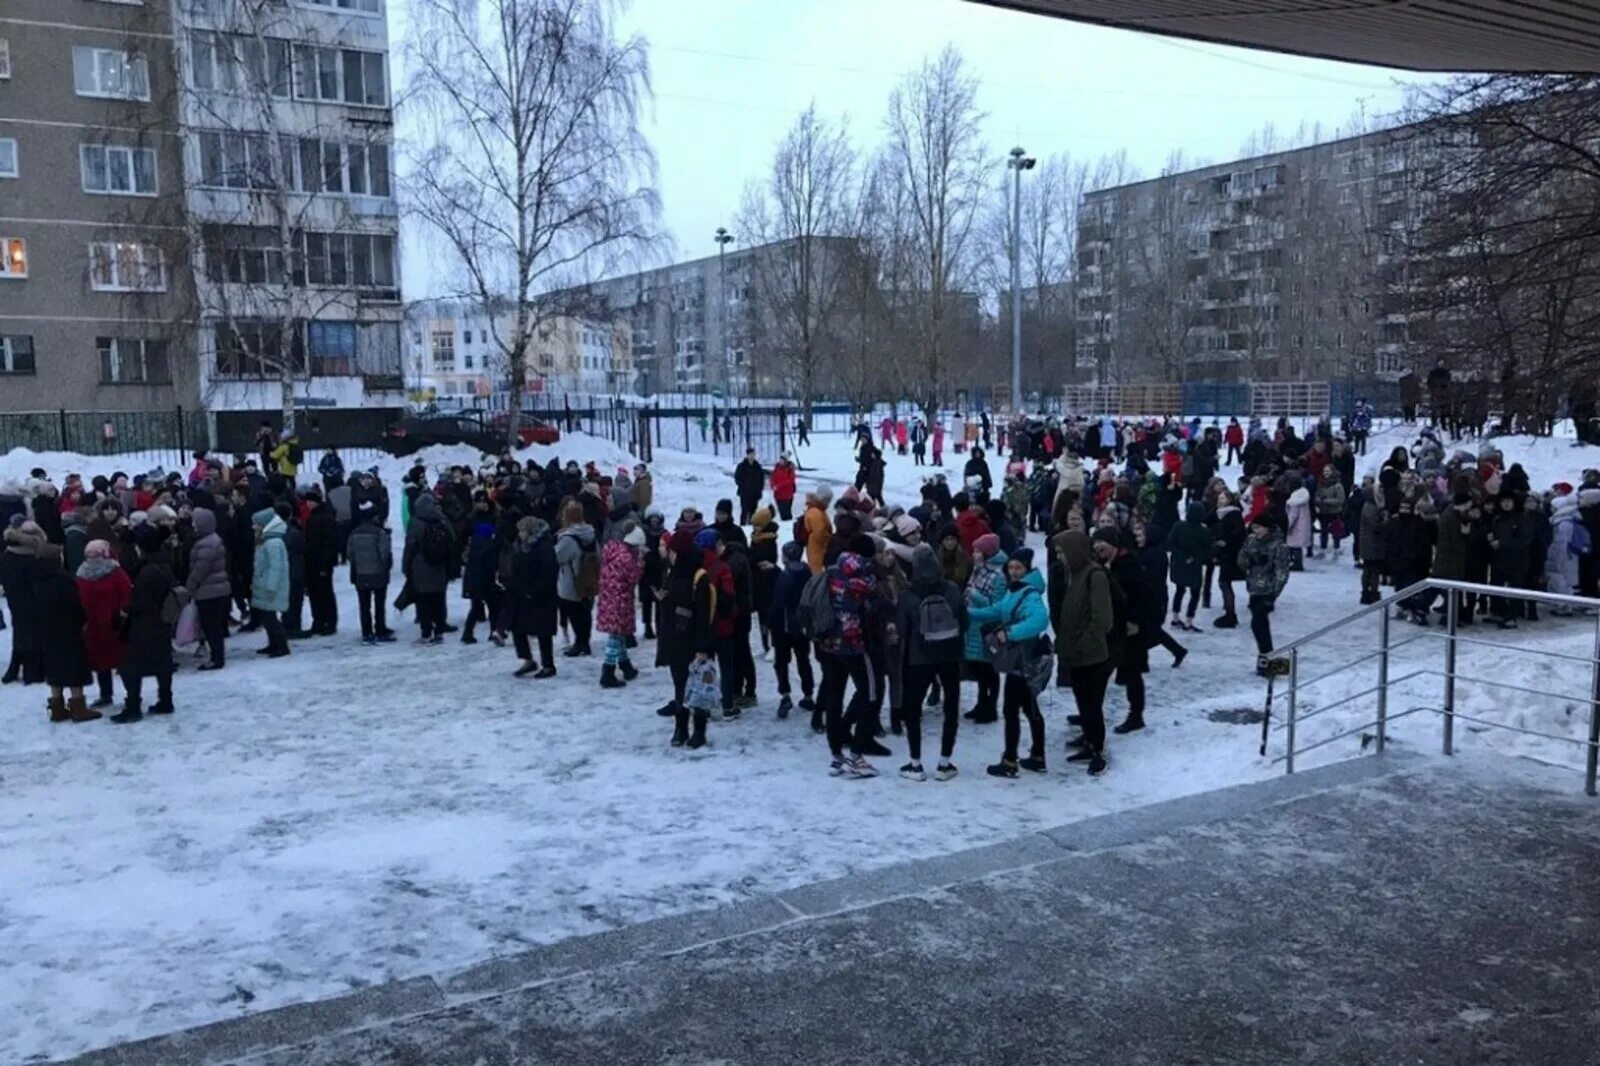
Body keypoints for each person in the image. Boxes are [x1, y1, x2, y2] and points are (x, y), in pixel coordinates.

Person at [971, 548, 1050, 779]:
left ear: (1027, 569)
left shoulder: (1029, 594)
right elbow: (999, 610)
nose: (1014, 572)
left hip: (1023, 662)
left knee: (1012, 710)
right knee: (1029, 707)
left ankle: (1009, 761)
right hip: (1022, 661)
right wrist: (971, 614)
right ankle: (1037, 756)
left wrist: (1011, 633)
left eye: (1019, 568)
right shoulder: (1015, 590)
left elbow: (1040, 619)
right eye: (1011, 568)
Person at [816, 538, 880, 778]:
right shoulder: (864, 576)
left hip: (828, 641)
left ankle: (836, 757)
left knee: (834, 696)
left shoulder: (831, 570)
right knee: (869, 694)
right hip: (853, 643)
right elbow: (876, 596)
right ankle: (856, 756)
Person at [117, 526, 177, 721]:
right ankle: (166, 700)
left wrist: (126, 608)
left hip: (144, 624)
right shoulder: (165, 563)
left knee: (131, 667)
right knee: (162, 663)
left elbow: (141, 602)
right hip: (163, 621)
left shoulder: (147, 571)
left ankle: (133, 707)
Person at [34, 543, 98, 721]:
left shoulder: (36, 579)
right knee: (74, 666)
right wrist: (82, 621)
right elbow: (74, 606)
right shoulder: (63, 580)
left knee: (54, 667)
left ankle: (57, 707)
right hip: (67, 629)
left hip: (46, 630)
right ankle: (78, 707)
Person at [74, 538, 131, 709]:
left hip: (92, 625)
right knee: (123, 661)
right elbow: (127, 594)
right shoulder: (116, 572)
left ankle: (106, 694)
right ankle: (132, 694)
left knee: (101, 663)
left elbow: (77, 600)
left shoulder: (81, 575)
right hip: (115, 624)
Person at [962, 532, 1008, 725]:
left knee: (990, 670)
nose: (974, 554)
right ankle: (981, 704)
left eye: (978, 551)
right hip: (973, 626)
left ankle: (990, 708)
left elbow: (995, 604)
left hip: (986, 628)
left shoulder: (998, 576)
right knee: (981, 670)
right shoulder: (978, 570)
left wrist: (973, 595)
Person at [769, 539, 817, 723]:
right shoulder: (807, 572)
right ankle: (808, 695)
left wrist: (770, 622)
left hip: (784, 625)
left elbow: (778, 602)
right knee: (803, 660)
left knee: (781, 661)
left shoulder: (785, 576)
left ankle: (785, 694)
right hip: (802, 625)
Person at [1238, 512, 1293, 674]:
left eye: (1259, 528)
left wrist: (1273, 595)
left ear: (1268, 528)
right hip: (1254, 588)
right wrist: (1251, 562)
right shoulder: (1251, 540)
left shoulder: (1279, 546)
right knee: (1260, 625)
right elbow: (1241, 558)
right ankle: (1268, 659)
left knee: (1258, 624)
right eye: (1254, 527)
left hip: (1267, 591)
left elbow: (1282, 573)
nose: (1256, 531)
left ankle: (1267, 659)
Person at [597, 523, 646, 688]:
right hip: (620, 600)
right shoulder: (626, 558)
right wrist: (640, 562)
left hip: (608, 598)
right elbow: (633, 577)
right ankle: (608, 672)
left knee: (618, 634)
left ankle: (626, 666)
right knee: (615, 635)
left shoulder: (613, 550)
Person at [185, 507, 231, 669]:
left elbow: (199, 570)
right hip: (216, 589)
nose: (193, 525)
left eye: (195, 522)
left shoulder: (207, 544)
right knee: (214, 627)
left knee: (212, 628)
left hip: (209, 592)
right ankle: (217, 656)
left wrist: (188, 588)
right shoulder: (212, 539)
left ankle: (217, 658)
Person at [1, 520, 46, 685]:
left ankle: (15, 668)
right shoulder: (33, 559)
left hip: (16, 601)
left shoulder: (7, 556)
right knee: (33, 633)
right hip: (33, 601)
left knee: (20, 630)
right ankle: (32, 671)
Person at [346, 501, 396, 645]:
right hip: (378, 573)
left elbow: (350, 554)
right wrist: (387, 566)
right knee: (379, 603)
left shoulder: (353, 533)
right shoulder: (379, 533)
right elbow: (384, 554)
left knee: (364, 604)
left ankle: (366, 632)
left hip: (360, 574)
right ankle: (380, 630)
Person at [461, 500, 502, 645]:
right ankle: (492, 632)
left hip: (474, 579)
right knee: (493, 605)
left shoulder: (475, 544)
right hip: (485, 579)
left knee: (476, 607)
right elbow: (490, 563)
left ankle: (467, 633)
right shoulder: (489, 545)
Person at [252, 508, 291, 657]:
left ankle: (281, 646)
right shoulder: (267, 540)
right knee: (267, 617)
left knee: (271, 618)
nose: (253, 527)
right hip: (264, 584)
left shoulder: (273, 543)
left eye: (256, 524)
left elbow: (276, 567)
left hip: (269, 587)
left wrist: (270, 586)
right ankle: (274, 643)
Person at [303, 487, 340, 636]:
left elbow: (330, 543)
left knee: (325, 593)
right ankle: (318, 621)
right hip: (312, 561)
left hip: (322, 561)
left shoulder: (325, 517)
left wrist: (326, 563)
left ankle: (329, 622)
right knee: (314, 593)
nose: (307, 504)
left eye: (310, 501)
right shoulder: (314, 516)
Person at [1169, 503, 1211, 631]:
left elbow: (1171, 542)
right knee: (1195, 593)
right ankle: (1189, 620)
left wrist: (1181, 556)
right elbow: (1206, 549)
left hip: (1178, 563)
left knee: (1179, 591)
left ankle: (1175, 618)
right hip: (1194, 565)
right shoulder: (1203, 531)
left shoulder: (1178, 526)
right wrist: (1194, 558)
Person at [803, 486, 833, 573]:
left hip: (816, 547)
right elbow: (820, 533)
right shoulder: (816, 512)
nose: (828, 503)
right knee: (817, 572)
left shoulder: (818, 510)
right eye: (827, 500)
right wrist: (829, 539)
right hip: (817, 548)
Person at [734, 448, 766, 525]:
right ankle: (743, 525)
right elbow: (737, 477)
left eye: (753, 454)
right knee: (744, 511)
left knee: (753, 512)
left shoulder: (757, 466)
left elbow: (761, 479)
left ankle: (752, 525)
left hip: (755, 494)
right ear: (747, 455)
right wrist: (743, 486)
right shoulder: (742, 466)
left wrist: (760, 490)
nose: (752, 456)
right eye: (750, 454)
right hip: (745, 494)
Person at [770, 453, 798, 522]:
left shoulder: (790, 469)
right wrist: (773, 486)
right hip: (778, 495)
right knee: (782, 513)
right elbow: (772, 478)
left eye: (782, 460)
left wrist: (778, 486)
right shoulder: (776, 468)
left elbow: (790, 481)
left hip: (787, 495)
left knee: (787, 513)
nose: (780, 461)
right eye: (780, 459)